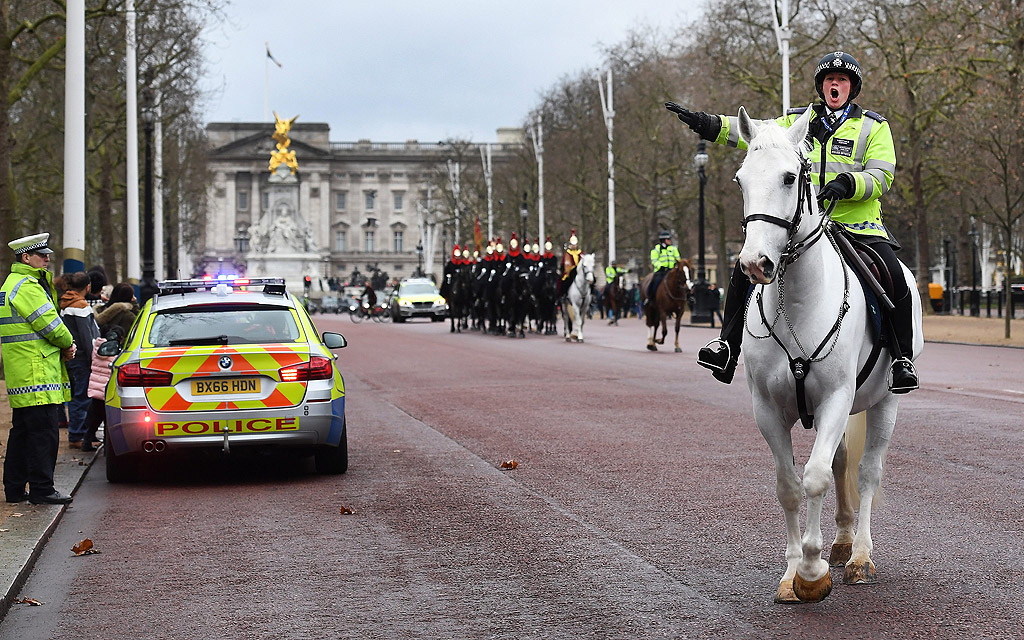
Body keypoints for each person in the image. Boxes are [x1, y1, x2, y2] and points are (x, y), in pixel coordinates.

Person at [668, 50, 918, 394]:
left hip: (857, 226)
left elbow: (882, 175)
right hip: (804, 226)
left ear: (852, 88)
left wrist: (849, 183)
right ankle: (727, 347)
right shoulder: (796, 121)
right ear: (821, 86)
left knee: (894, 277)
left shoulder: (874, 127)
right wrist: (706, 124)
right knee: (746, 267)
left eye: (842, 80)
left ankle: (901, 359)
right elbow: (753, 134)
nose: (835, 84)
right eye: (829, 79)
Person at [1, 233, 76, 505]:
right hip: (38, 370)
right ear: (26, 258)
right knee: (44, 433)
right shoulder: (28, 287)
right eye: (42, 255)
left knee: (21, 433)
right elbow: (50, 324)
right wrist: (69, 344)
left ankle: (15, 489)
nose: (47, 259)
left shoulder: (11, 284)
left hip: (22, 370)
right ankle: (43, 489)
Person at [58, 271, 100, 448]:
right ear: (87, 286)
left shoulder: (65, 303)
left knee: (75, 397)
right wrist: (93, 359)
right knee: (81, 398)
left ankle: (79, 434)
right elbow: (86, 335)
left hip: (71, 356)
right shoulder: (81, 306)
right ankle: (77, 436)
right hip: (82, 358)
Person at [80, 326, 125, 452]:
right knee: (108, 420)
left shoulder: (97, 347)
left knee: (94, 419)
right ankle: (107, 447)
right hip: (108, 390)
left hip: (96, 390)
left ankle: (86, 442)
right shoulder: (116, 350)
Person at [647, 230, 680, 307]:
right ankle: (650, 298)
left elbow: (678, 258)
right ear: (664, 240)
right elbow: (654, 260)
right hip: (661, 271)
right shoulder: (657, 249)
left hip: (672, 271)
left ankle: (687, 298)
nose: (670, 241)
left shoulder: (674, 249)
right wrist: (660, 266)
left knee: (682, 281)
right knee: (654, 282)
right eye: (668, 239)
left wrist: (677, 265)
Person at [559, 229, 582, 297]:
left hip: (580, 271)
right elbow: (564, 264)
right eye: (573, 244)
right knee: (565, 282)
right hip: (571, 272)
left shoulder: (580, 253)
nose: (574, 246)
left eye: (575, 244)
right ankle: (564, 296)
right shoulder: (567, 254)